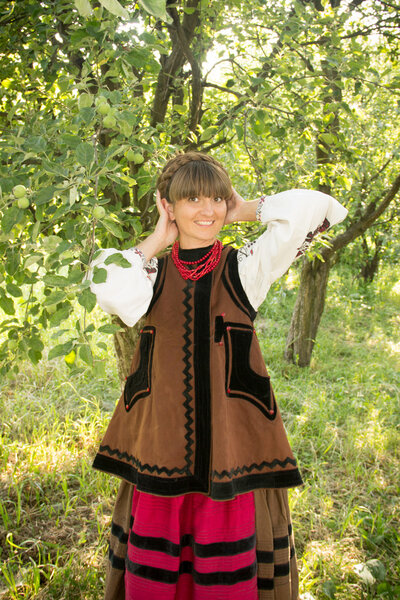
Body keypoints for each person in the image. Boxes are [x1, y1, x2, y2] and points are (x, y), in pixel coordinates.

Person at [89, 152, 348, 600]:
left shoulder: (247, 268)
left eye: (215, 199)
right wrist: (156, 237)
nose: (206, 210)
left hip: (233, 446)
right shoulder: (149, 275)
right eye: (191, 199)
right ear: (168, 205)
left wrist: (244, 208)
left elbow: (317, 206)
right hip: (160, 445)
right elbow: (103, 281)